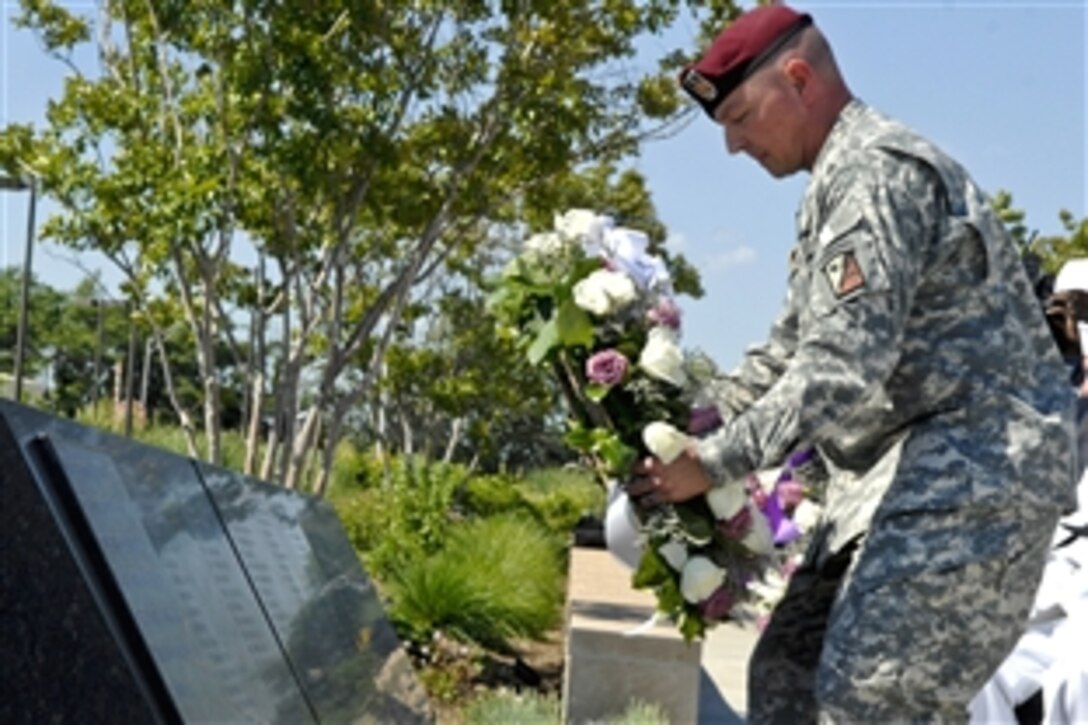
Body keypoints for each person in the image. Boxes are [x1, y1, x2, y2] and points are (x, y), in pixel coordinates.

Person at [626, 4, 1077, 722]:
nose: (734, 146)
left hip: (972, 475)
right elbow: (785, 353)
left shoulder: (875, 174)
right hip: (893, 481)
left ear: (798, 78)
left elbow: (840, 367)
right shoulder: (832, 189)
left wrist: (711, 462)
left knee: (872, 696)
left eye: (741, 116)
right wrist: (672, 419)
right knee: (786, 676)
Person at [969, 260, 1088, 724]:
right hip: (1046, 584)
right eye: (1072, 308)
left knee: (1075, 678)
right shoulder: (1045, 404)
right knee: (973, 671)